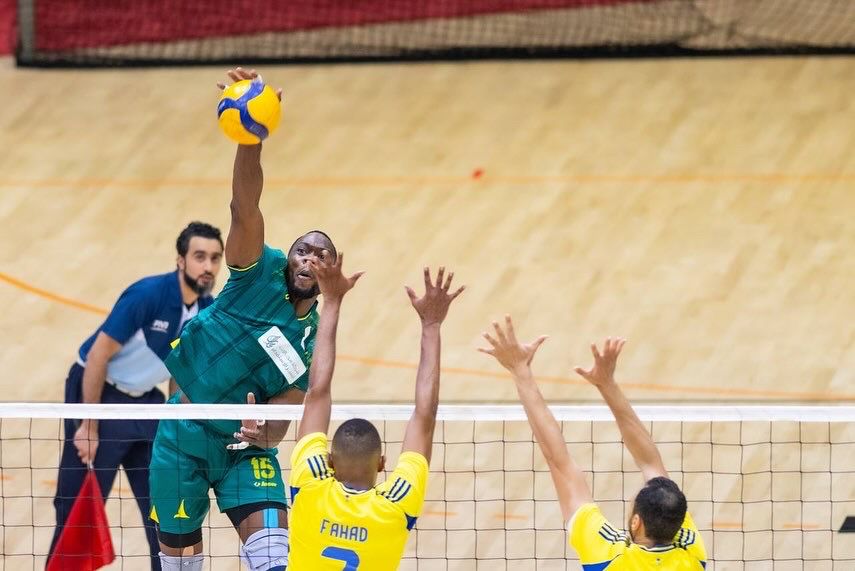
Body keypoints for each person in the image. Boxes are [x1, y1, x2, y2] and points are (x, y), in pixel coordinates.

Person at [148, 68, 340, 571]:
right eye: (302, 249)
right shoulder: (256, 269)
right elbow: (244, 205)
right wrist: (251, 138)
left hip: (244, 449)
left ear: (332, 270)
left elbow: (286, 414)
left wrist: (265, 435)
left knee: (275, 559)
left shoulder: (314, 339)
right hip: (184, 433)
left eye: (320, 255)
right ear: (288, 257)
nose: (308, 258)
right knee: (179, 564)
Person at [49, 221, 224, 571]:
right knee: (76, 508)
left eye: (215, 258)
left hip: (146, 404)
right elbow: (97, 357)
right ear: (180, 260)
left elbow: (179, 372)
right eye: (199, 256)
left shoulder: (207, 309)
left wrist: (179, 430)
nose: (208, 266)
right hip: (99, 395)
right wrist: (88, 425)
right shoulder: (148, 295)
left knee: (163, 509)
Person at [479, 317, 707, 569]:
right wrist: (607, 385)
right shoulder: (692, 553)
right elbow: (651, 464)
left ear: (636, 522)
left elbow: (560, 462)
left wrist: (520, 369)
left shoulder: (606, 554)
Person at [287, 263, 463, 570]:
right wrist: (431, 325)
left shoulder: (310, 482)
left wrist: (332, 300)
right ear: (382, 464)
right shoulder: (396, 504)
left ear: (329, 461)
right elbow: (425, 416)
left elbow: (316, 393)